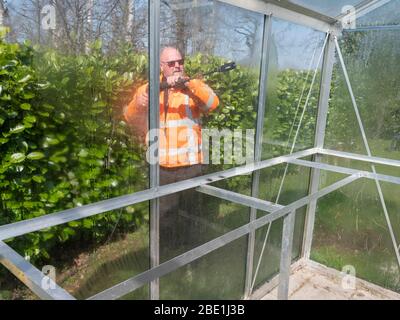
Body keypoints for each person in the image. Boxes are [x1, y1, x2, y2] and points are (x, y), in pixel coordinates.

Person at [124, 47, 220, 254]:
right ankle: (167, 253)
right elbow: (130, 117)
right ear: (161, 66)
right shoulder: (149, 88)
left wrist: (190, 84)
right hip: (162, 166)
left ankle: (193, 252)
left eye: (180, 61)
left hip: (190, 165)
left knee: (191, 213)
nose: (177, 65)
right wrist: (137, 104)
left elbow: (213, 103)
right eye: (171, 63)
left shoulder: (193, 86)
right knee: (164, 214)